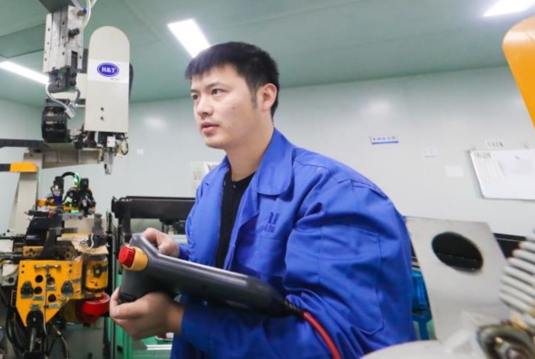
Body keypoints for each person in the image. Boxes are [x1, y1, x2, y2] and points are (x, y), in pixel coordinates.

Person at [109, 42, 415, 358]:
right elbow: (227, 266)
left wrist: (175, 317)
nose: (201, 107)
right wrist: (174, 258)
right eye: (195, 96)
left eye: (216, 91)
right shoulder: (211, 186)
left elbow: (337, 343)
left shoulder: (336, 194)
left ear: (266, 96)